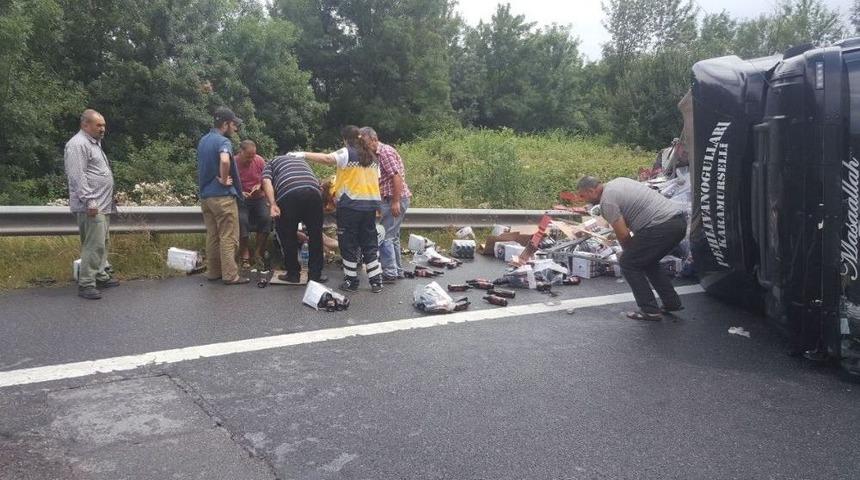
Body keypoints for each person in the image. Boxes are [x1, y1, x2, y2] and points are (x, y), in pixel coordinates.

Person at [576, 176, 686, 321]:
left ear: (591, 190)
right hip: (678, 222)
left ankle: (650, 310)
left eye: (584, 196)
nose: (585, 200)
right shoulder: (619, 181)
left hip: (660, 226)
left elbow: (623, 234)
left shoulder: (607, 202)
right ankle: (672, 303)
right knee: (647, 261)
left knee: (629, 263)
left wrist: (628, 254)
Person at [291, 126, 383, 293]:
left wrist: (303, 154)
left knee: (348, 243)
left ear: (345, 139)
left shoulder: (347, 152)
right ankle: (376, 281)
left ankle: (351, 281)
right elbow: (377, 182)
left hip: (350, 206)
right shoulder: (373, 157)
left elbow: (327, 159)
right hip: (369, 207)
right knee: (369, 243)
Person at [64, 109, 119, 300]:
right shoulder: (78, 145)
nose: (103, 128)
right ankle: (86, 283)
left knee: (102, 243)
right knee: (93, 245)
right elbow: (77, 176)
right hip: (91, 205)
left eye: (103, 125)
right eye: (98, 125)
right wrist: (90, 200)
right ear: (85, 125)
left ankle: (101, 275)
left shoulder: (94, 143)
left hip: (102, 204)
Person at [197, 107, 248, 285]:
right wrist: (224, 179)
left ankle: (213, 272)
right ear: (225, 124)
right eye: (234, 124)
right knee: (228, 236)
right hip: (222, 197)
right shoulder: (223, 142)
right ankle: (230, 275)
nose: (235, 128)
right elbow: (225, 160)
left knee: (213, 235)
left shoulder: (203, 140)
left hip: (206, 197)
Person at [262, 152, 328, 284]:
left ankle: (293, 274)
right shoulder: (301, 161)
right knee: (316, 235)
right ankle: (315, 275)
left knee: (287, 234)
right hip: (313, 193)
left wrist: (273, 204)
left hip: (289, 195)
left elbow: (266, 181)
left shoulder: (271, 163)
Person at [360, 127, 412, 282]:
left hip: (394, 199)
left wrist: (395, 201)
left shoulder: (385, 152)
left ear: (374, 139)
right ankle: (397, 270)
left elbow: (396, 177)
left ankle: (389, 272)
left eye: (366, 143)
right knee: (393, 236)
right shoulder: (377, 154)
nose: (365, 147)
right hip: (390, 199)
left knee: (386, 236)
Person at [235, 140, 271, 268]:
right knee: (242, 220)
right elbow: (228, 182)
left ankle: (258, 251)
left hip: (258, 197)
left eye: (253, 155)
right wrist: (239, 192)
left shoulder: (259, 160)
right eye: (248, 156)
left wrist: (260, 185)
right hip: (241, 199)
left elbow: (266, 178)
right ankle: (244, 252)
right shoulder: (233, 163)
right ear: (241, 152)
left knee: (266, 218)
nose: (251, 159)